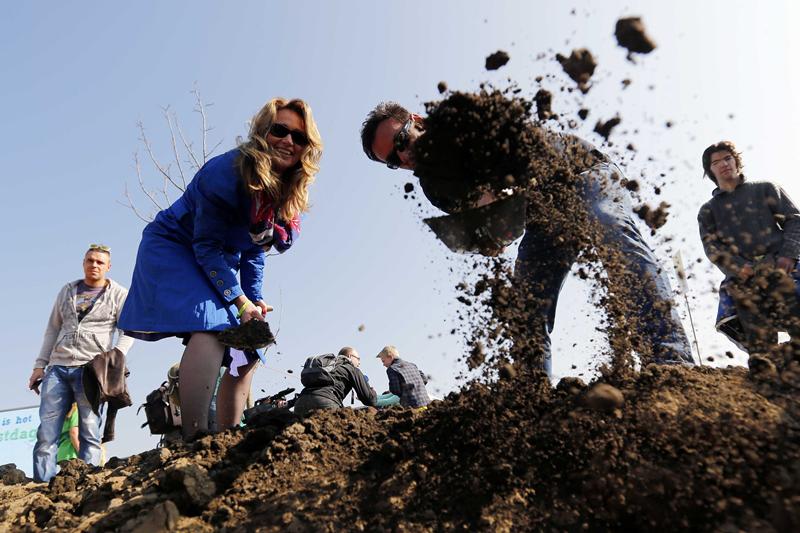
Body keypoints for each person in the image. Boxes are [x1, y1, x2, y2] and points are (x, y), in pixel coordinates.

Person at [360, 98, 693, 371]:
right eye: (392, 160)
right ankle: (531, 398)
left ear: (416, 119)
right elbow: (488, 220)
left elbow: (514, 131)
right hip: (543, 215)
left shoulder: (457, 120)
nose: (403, 157)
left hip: (581, 174)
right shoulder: (434, 187)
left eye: (401, 141)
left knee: (608, 227)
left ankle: (671, 364)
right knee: (526, 307)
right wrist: (488, 233)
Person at [119, 97, 322, 440]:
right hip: (176, 247)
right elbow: (207, 247)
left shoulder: (281, 195)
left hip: (217, 256)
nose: (289, 141)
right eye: (280, 130)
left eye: (299, 138)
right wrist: (238, 301)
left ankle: (231, 437)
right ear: (262, 132)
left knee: (251, 345)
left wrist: (254, 300)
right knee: (211, 326)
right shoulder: (225, 173)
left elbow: (254, 252)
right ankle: (196, 438)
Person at [29, 244, 134, 482]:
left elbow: (130, 330)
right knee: (47, 432)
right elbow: (52, 330)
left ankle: (87, 484)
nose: (94, 265)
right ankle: (43, 484)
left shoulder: (119, 294)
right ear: (83, 263)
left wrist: (115, 356)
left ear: (108, 266)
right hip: (57, 367)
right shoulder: (67, 291)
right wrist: (39, 365)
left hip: (91, 370)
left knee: (89, 429)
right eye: (90, 260)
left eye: (99, 262)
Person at [698, 141, 800, 354]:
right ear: (710, 170)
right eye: (716, 162)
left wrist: (788, 256)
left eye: (727, 158)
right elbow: (713, 248)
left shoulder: (765, 189)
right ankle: (769, 371)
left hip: (784, 269)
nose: (723, 164)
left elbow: (794, 220)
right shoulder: (708, 211)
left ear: (736, 161)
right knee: (761, 345)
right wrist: (737, 268)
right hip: (745, 278)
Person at [293, 347, 377, 417]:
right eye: (358, 359)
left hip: (300, 403)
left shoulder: (329, 368)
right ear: (350, 356)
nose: (359, 362)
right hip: (325, 403)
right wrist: (372, 391)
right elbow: (369, 400)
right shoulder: (350, 368)